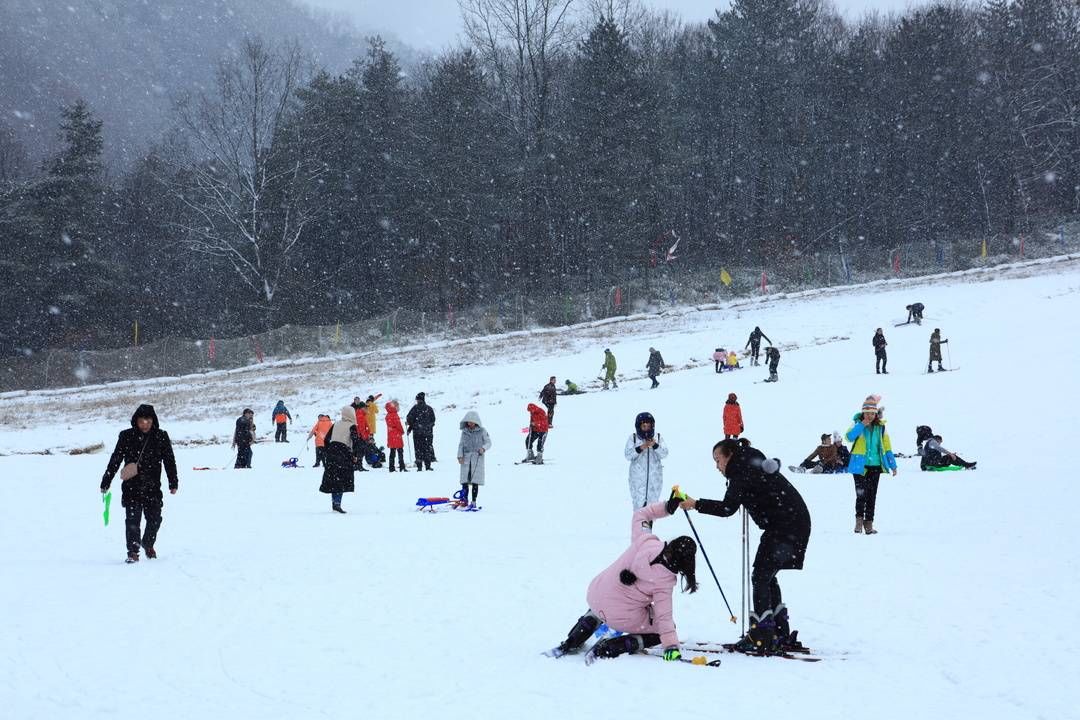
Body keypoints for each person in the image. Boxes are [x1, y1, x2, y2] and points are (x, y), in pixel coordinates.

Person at [680, 438, 811, 654]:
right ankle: (777, 632)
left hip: (785, 525)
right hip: (793, 521)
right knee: (766, 576)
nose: (717, 466)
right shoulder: (748, 460)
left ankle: (763, 637)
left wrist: (695, 504)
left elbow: (726, 508)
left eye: (718, 460)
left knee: (760, 577)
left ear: (729, 455)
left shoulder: (740, 470)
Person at [548, 497, 697, 662]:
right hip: (619, 616)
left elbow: (641, 515)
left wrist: (667, 507)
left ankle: (575, 637)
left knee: (609, 599)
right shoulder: (664, 582)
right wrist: (670, 646)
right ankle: (617, 645)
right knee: (661, 631)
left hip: (595, 594)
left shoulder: (646, 541)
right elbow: (664, 617)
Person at [100, 404, 179, 563]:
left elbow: (169, 460)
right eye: (142, 421)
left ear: (153, 420)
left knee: (155, 519)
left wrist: (173, 481)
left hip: (152, 486)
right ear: (136, 420)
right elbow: (115, 459)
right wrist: (106, 480)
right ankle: (133, 552)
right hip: (132, 487)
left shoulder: (161, 436)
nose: (145, 424)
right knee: (132, 521)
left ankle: (148, 543)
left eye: (148, 421)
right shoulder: (126, 436)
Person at [845, 395, 898, 534]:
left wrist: (893, 465)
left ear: (876, 414)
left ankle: (868, 523)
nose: (869, 415)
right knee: (860, 495)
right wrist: (862, 424)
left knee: (871, 495)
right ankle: (858, 522)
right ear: (863, 413)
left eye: (872, 413)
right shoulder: (857, 424)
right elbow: (849, 437)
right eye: (867, 413)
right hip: (859, 466)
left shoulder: (881, 428)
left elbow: (887, 447)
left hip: (875, 466)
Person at [625, 412, 668, 509]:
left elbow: (665, 453)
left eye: (648, 426)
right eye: (643, 426)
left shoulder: (658, 437)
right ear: (638, 427)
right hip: (638, 480)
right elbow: (627, 455)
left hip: (654, 480)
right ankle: (639, 523)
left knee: (652, 508)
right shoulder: (634, 438)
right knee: (639, 508)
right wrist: (641, 447)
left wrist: (655, 445)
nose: (646, 428)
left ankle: (650, 523)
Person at [320, 406, 359, 513]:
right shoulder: (352, 426)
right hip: (344, 453)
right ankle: (337, 504)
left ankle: (335, 503)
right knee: (341, 479)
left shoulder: (335, 424)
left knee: (334, 478)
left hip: (332, 452)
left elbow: (326, 439)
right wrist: (355, 455)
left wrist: (328, 450)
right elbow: (356, 442)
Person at [457, 411, 491, 509]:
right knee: (465, 481)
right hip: (466, 459)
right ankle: (464, 500)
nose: (470, 424)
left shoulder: (483, 431)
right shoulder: (464, 432)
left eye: (472, 422)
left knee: (475, 481)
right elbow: (461, 445)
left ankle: (474, 501)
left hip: (477, 458)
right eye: (468, 422)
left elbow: (488, 442)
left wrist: (483, 448)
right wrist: (460, 455)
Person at [406, 392, 437, 471]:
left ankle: (419, 467)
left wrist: (411, 427)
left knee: (418, 449)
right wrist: (428, 427)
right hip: (428, 434)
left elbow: (409, 419)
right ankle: (428, 466)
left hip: (417, 433)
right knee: (427, 449)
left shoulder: (415, 408)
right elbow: (433, 420)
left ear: (418, 400)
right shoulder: (429, 408)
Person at [384, 400, 407, 472]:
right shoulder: (395, 415)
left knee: (392, 451)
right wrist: (402, 431)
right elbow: (398, 425)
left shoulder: (388, 415)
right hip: (397, 435)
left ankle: (391, 467)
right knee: (400, 451)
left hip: (390, 435)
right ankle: (402, 466)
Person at [350, 398, 370, 472]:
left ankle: (356, 465)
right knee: (360, 451)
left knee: (357, 451)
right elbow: (361, 428)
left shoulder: (360, 414)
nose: (367, 409)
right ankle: (359, 466)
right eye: (366, 408)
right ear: (362, 408)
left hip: (358, 436)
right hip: (360, 436)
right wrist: (364, 436)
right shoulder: (360, 415)